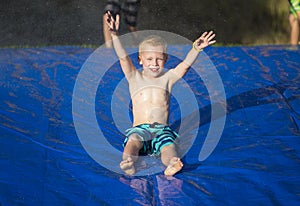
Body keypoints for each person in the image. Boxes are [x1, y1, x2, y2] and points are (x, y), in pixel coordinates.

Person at [104, 11, 216, 176]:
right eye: (149, 59)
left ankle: (172, 163)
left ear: (165, 59)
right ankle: (128, 162)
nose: (154, 64)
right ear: (140, 59)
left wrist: (196, 49)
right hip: (139, 129)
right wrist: (114, 34)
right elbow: (122, 58)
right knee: (133, 141)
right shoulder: (134, 77)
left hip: (161, 129)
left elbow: (184, 65)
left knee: (168, 146)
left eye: (159, 59)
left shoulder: (168, 78)